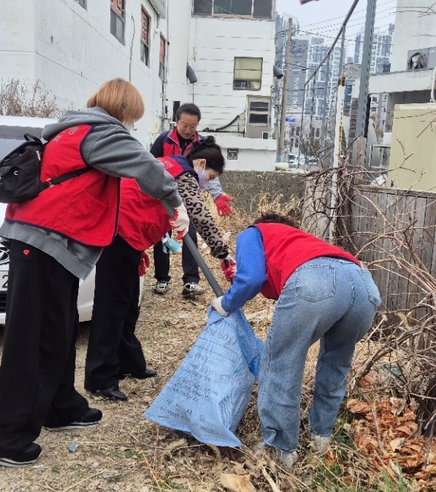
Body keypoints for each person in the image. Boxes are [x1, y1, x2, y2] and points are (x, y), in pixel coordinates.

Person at [0, 78, 189, 468]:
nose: (133, 125)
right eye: (133, 117)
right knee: (33, 338)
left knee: (59, 329)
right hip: (43, 241)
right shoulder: (101, 132)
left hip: (46, 241)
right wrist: (176, 205)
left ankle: (61, 407)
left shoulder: (72, 130)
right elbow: (147, 166)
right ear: (123, 109)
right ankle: (2, 436)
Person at [211, 212, 381, 469]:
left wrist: (225, 303)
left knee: (281, 364)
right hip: (364, 285)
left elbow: (252, 279)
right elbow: (271, 281)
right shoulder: (303, 241)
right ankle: (321, 438)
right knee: (336, 364)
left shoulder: (254, 232)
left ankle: (280, 450)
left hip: (317, 282)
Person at [85, 137, 234, 401]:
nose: (207, 184)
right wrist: (223, 254)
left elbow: (148, 202)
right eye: (210, 177)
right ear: (200, 164)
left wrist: (140, 247)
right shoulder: (184, 174)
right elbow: (200, 215)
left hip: (127, 236)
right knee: (111, 309)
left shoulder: (168, 163)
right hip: (119, 235)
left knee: (128, 305)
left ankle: (129, 361)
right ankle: (100, 378)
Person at [149, 103, 234, 298]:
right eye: (184, 125)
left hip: (179, 197)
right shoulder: (165, 141)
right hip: (163, 198)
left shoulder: (201, 145)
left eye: (193, 126)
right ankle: (162, 278)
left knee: (190, 234)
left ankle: (191, 281)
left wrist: (217, 195)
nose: (188, 130)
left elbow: (209, 174)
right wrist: (224, 255)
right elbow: (203, 219)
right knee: (162, 236)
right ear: (176, 122)